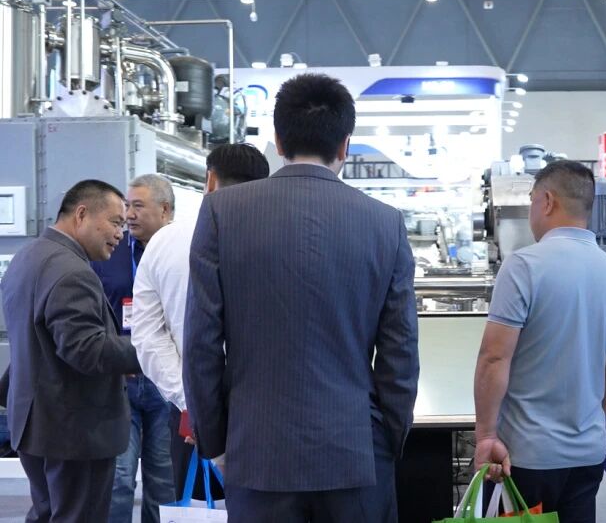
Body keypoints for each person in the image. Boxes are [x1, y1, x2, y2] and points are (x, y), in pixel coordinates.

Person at [183, 73, 419, 523]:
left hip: (256, 450)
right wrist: (389, 438)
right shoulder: (384, 223)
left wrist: (216, 442)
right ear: (345, 145)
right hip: (355, 449)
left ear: (277, 140)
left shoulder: (221, 212)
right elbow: (400, 351)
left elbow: (201, 343)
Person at [473, 160, 606, 523]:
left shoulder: (523, 266)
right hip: (587, 454)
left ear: (546, 201)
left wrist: (485, 435)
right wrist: (589, 421)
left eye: (531, 200)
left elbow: (494, 358)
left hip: (524, 456)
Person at [131, 144, 270, 499]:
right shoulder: (281, 241)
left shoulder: (165, 242)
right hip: (269, 420)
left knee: (196, 508)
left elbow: (147, 337)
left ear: (209, 181)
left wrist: (191, 401)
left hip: (191, 422)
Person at [1, 180, 141, 522]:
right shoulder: (72, 271)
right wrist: (147, 351)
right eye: (115, 222)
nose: (120, 234)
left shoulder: (28, 257)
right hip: (74, 431)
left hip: (37, 424)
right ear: (81, 214)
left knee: (49, 513)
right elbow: (86, 349)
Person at [91, 174, 177, 523]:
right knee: (119, 479)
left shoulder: (183, 253)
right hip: (120, 382)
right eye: (127, 206)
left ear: (165, 210)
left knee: (164, 479)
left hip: (166, 384)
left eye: (138, 206)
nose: (128, 215)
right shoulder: (110, 251)